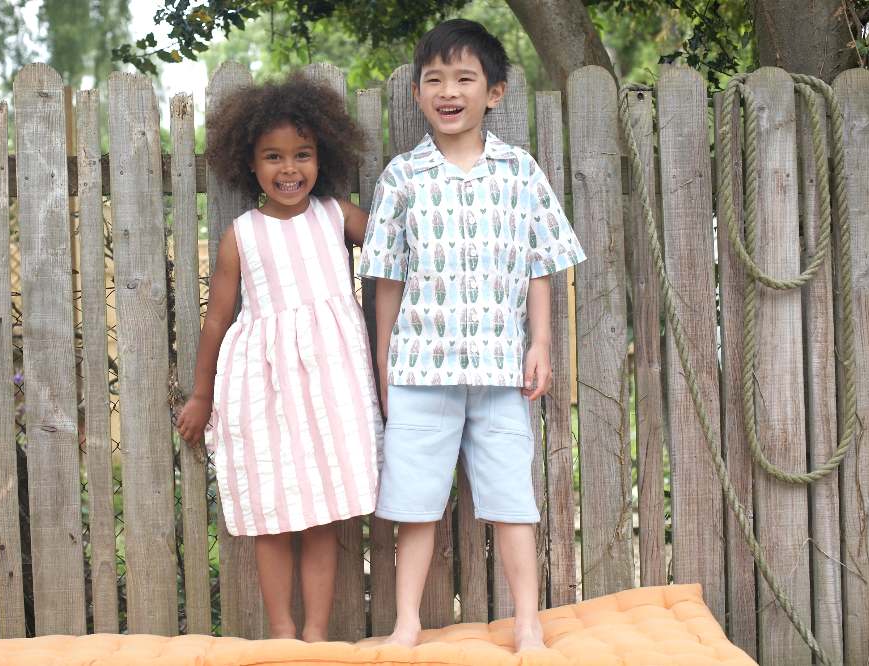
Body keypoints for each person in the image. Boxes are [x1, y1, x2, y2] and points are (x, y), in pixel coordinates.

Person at [358, 19, 585, 652]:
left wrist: (540, 344)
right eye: (434, 79)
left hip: (501, 368)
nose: (448, 90)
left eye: (465, 78)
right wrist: (384, 364)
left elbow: (541, 264)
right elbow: (387, 281)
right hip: (418, 372)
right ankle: (406, 624)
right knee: (414, 504)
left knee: (514, 500)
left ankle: (528, 625)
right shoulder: (402, 179)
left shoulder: (520, 172)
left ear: (495, 92)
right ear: (417, 94)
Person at [177, 75, 383, 642]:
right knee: (273, 514)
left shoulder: (337, 216)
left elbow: (399, 251)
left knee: (322, 513)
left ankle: (316, 636)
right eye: (273, 156)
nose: (289, 168)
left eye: (302, 154)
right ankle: (282, 633)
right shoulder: (240, 236)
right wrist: (200, 396)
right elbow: (217, 320)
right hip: (263, 388)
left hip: (331, 383)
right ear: (250, 162)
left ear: (323, 157)